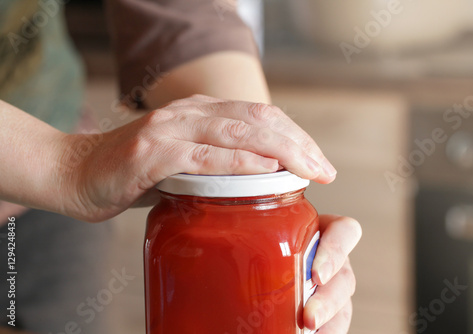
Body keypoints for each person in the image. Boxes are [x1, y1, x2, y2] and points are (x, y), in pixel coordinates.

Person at [0, 0, 362, 333]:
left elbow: (182, 11)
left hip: (40, 213)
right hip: (51, 176)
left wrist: (253, 183)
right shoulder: (68, 171)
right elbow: (63, 166)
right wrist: (64, 164)